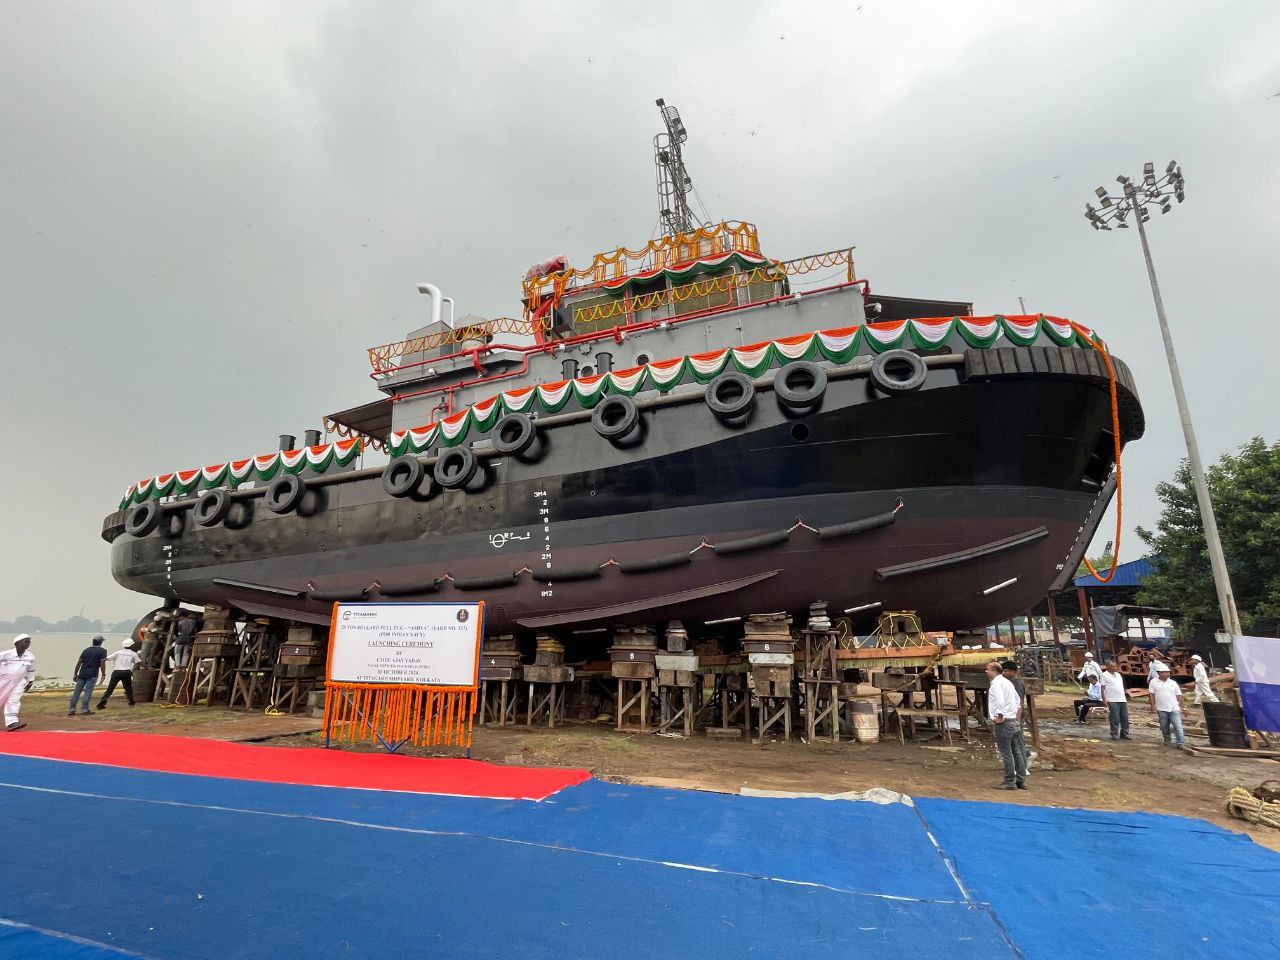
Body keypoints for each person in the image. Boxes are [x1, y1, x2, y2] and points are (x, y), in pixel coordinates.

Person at [986, 660, 1027, 790]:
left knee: (1006, 752)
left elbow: (1000, 701)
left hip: (1004, 721)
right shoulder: (1008, 683)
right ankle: (1020, 780)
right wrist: (1014, 714)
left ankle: (1009, 781)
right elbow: (1017, 700)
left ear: (993, 671)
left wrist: (1000, 715)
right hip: (1012, 720)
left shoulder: (996, 685)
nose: (986, 672)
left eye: (987, 669)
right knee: (1017, 751)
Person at [1, 635, 36, 732]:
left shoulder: (30, 656)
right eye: (26, 641)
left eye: (29, 642)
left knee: (14, 700)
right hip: (3, 681)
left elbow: (31, 670)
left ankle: (12, 722)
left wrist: (30, 680)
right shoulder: (5, 655)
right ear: (17, 643)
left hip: (19, 682)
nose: (28, 644)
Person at [67, 635, 109, 716]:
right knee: (88, 692)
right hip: (92, 674)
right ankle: (84, 709)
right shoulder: (103, 651)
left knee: (77, 692)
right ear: (100, 642)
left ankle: (71, 709)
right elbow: (102, 663)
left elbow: (79, 663)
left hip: (82, 673)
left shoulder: (86, 650)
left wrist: (75, 674)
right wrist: (103, 674)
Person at [1148, 663, 1186, 748]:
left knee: (1178, 726)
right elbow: (1151, 694)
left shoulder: (1173, 683)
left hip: (1174, 707)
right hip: (1161, 708)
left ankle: (1180, 743)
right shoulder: (1153, 682)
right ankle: (1167, 739)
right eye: (1165, 672)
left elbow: (1179, 695)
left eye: (1168, 672)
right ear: (1159, 673)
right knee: (1164, 726)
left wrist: (1183, 707)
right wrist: (1153, 706)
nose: (1167, 674)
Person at [98, 639, 141, 709]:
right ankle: (131, 702)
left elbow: (103, 660)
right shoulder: (133, 654)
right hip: (126, 672)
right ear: (131, 645)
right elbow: (139, 662)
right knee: (128, 688)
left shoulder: (118, 652)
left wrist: (103, 672)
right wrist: (148, 667)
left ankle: (101, 703)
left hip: (116, 672)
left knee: (110, 689)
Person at [1100, 659, 1130, 740]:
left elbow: (1121, 686)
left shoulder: (1118, 675)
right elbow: (1102, 688)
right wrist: (1104, 699)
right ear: (1107, 667)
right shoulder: (1104, 675)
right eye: (1113, 666)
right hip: (1112, 699)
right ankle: (1114, 733)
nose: (1115, 667)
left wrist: (1124, 695)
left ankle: (1124, 733)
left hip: (1122, 699)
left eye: (1115, 666)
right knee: (1114, 718)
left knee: (1125, 717)